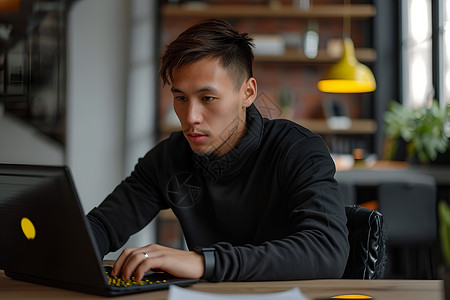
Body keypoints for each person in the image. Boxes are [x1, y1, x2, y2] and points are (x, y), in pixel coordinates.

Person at [87, 19, 349, 282]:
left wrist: (204, 262)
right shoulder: (169, 157)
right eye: (180, 98)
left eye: (207, 98)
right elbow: (102, 226)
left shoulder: (297, 149)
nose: (191, 117)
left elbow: (326, 251)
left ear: (248, 93)